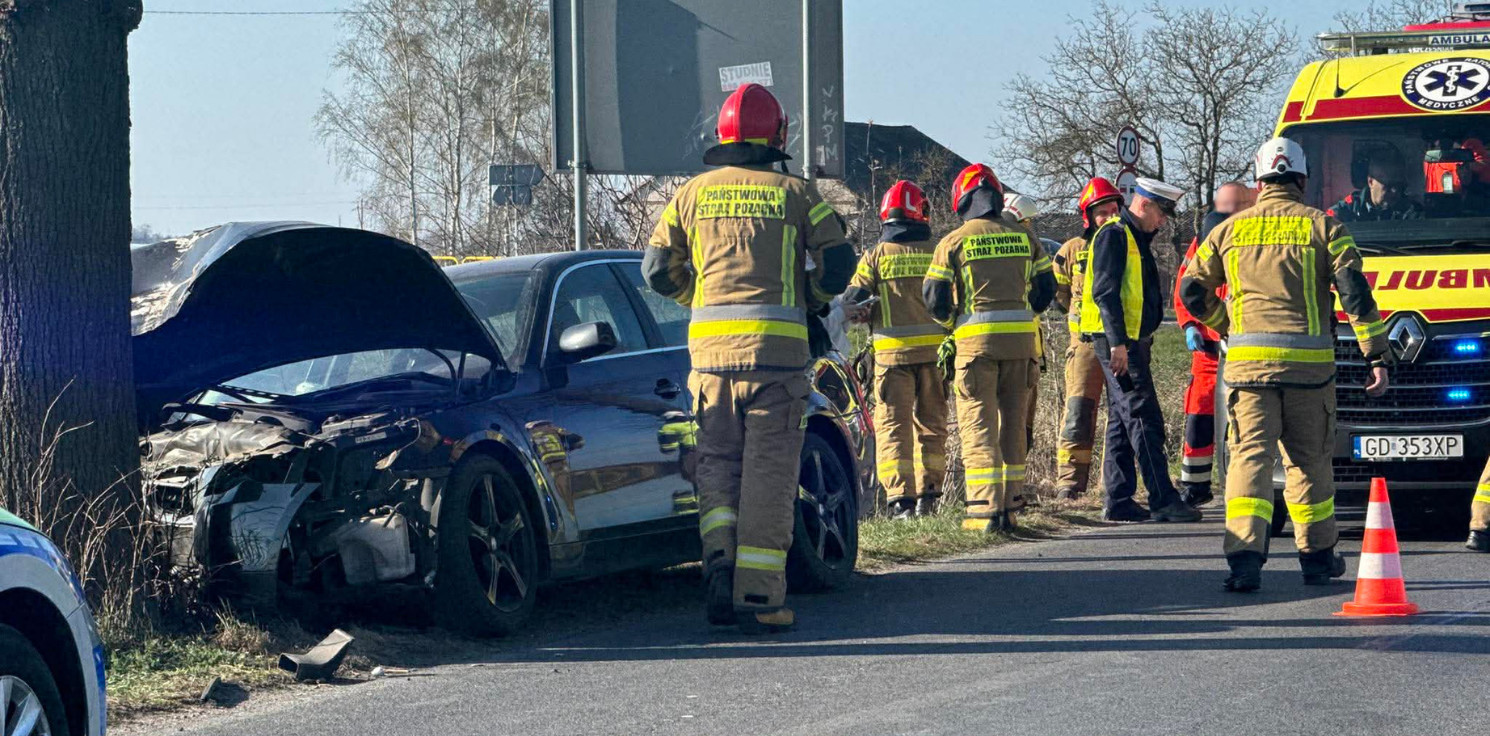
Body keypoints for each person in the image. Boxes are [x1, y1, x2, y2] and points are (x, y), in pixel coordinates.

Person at [643, 82, 853, 631]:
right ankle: (758, 597)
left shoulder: (690, 195)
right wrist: (811, 299)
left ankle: (719, 562)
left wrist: (700, 298)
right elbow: (838, 265)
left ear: (723, 136)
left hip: (709, 362)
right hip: (776, 362)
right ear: (778, 135)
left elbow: (656, 271)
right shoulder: (797, 193)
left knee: (716, 466)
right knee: (767, 476)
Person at [1181, 136, 1391, 592]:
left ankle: (1244, 562)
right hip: (1309, 374)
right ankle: (1317, 560)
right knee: (1309, 463)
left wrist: (1227, 324)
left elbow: (1190, 292)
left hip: (1248, 371)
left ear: (1259, 182)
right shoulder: (1325, 227)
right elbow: (1355, 293)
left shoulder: (1228, 231)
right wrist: (1375, 355)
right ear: (1301, 180)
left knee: (1249, 462)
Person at [923, 164, 1055, 532]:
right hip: (1021, 347)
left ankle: (983, 513)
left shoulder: (954, 241)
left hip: (975, 350)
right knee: (1013, 428)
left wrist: (952, 325)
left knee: (979, 427)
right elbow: (1045, 290)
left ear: (962, 201)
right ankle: (1011, 510)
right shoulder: (1026, 238)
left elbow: (934, 299)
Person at [1079, 177, 1201, 524]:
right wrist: (1118, 342)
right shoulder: (1115, 235)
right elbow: (1105, 292)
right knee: (1143, 417)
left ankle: (1118, 499)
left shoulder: (1133, 237)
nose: (1163, 221)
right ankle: (1163, 498)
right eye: (1161, 213)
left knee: (1122, 419)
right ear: (1144, 204)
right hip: (1119, 344)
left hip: (1128, 342)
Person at [843, 180, 950, 519]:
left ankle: (900, 500)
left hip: (892, 360)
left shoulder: (875, 256)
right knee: (932, 426)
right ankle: (929, 497)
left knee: (893, 428)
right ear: (923, 212)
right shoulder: (939, 250)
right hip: (935, 358)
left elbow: (853, 301)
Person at [1170, 181, 1257, 508]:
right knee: (1199, 413)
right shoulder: (1203, 240)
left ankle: (1244, 485)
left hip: (1245, 343)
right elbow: (1185, 287)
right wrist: (1189, 324)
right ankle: (1195, 486)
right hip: (1208, 348)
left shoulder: (1254, 238)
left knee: (1249, 419)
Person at [1052, 177, 1123, 500]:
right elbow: (1060, 292)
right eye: (1102, 212)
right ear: (1087, 215)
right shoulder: (1071, 250)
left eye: (1113, 210)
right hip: (1083, 346)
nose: (1109, 217)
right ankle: (1070, 482)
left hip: (1120, 342)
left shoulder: (1128, 245)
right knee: (1079, 412)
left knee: (1122, 414)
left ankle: (1114, 484)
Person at [1002, 192, 1046, 465]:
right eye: (1027, 222)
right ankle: (1010, 490)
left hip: (1030, 350)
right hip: (1018, 351)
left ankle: (1015, 489)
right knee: (1013, 424)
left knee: (1022, 426)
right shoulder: (1019, 253)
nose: (1030, 229)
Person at [1327, 153, 1423, 222]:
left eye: (1398, 185)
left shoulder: (1411, 210)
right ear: (1370, 182)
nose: (1394, 191)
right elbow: (1326, 222)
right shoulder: (1348, 208)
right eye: (1388, 185)